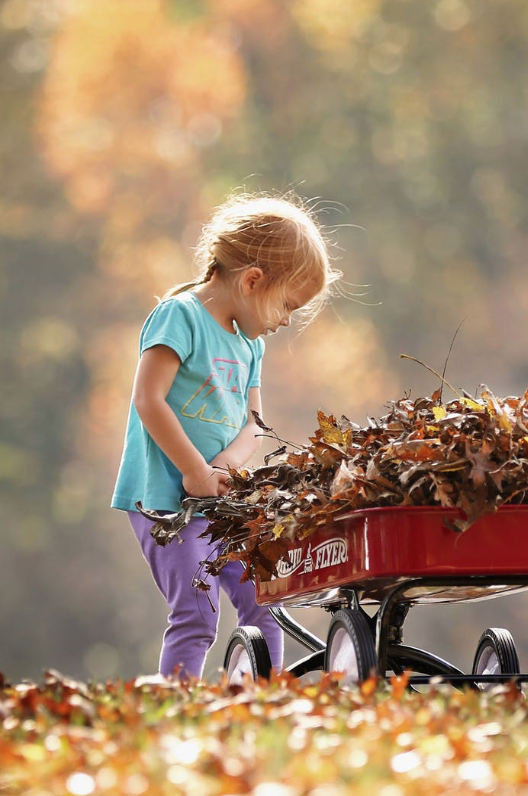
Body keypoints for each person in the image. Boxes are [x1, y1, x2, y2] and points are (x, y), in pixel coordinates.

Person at [111, 191, 340, 679]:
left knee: (265, 598)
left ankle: (265, 697)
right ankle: (181, 705)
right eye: (288, 306)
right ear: (254, 280)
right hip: (164, 501)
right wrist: (194, 470)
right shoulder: (180, 316)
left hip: (220, 502)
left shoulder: (249, 345)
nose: (286, 322)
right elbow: (148, 399)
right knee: (197, 613)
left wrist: (222, 469)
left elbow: (253, 423)